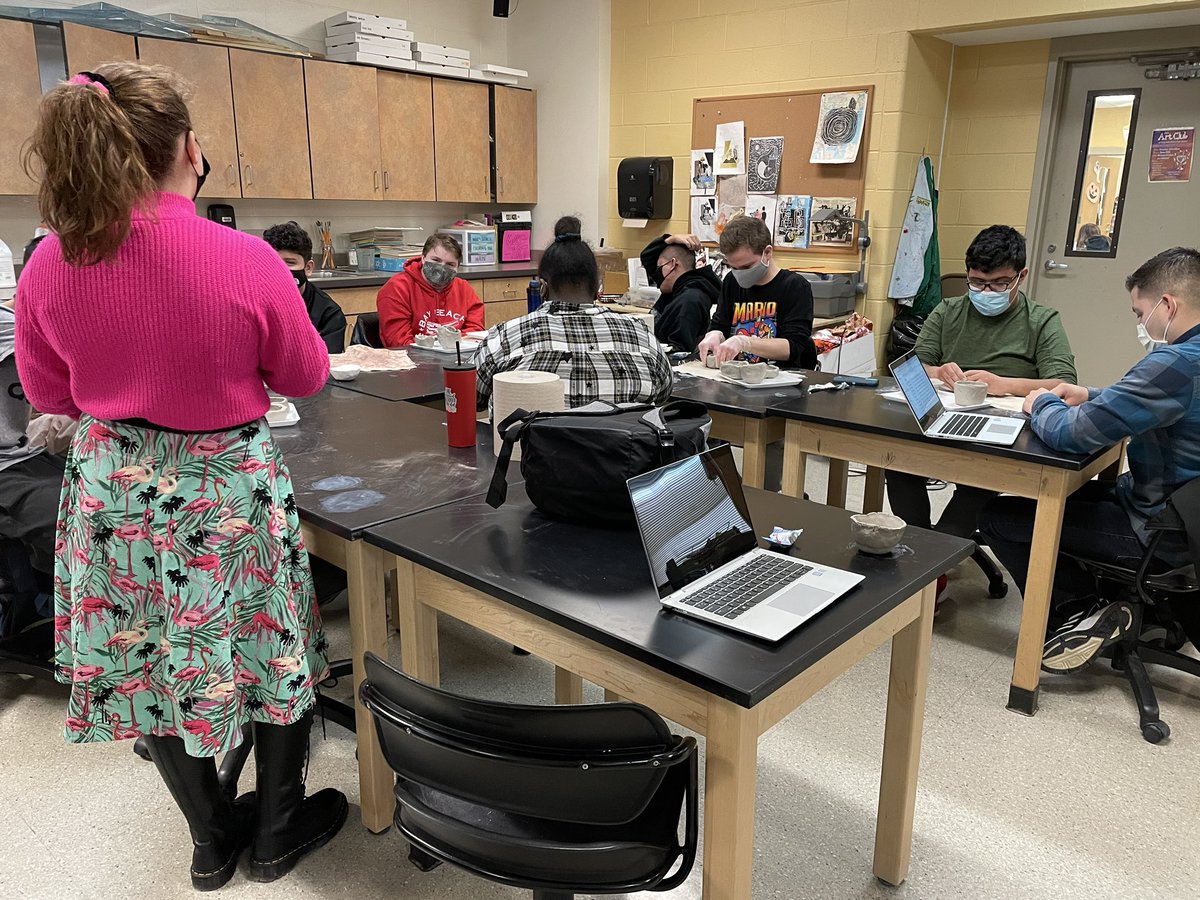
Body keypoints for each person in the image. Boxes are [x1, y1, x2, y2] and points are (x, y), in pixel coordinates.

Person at [15, 64, 344, 890]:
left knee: (142, 654)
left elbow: (50, 393)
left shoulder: (49, 265)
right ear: (188, 150)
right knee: (271, 650)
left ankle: (208, 836)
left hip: (114, 490)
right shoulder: (248, 258)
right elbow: (306, 375)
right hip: (224, 484)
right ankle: (274, 829)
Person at [981, 247, 1200, 672]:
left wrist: (1041, 404)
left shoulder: (1175, 362)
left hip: (1161, 533)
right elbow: (1151, 403)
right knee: (1078, 498)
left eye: (1140, 313)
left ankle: (1080, 613)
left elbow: (1073, 435)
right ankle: (1121, 604)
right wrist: (1089, 395)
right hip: (1186, 522)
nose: (1140, 323)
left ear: (1168, 305)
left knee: (1000, 516)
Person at [887, 225, 1077, 540]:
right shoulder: (949, 310)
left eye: (999, 283)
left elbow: (1064, 384)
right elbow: (916, 365)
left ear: (1022, 275)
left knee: (981, 476)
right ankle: (921, 543)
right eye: (976, 282)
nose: (986, 292)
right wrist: (938, 372)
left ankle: (944, 545)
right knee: (897, 460)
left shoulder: (1041, 320)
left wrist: (1002, 384)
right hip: (947, 415)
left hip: (1006, 427)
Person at [476, 216, 672, 410]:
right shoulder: (642, 337)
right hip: (620, 441)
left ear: (542, 287)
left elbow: (473, 397)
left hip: (539, 442)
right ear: (597, 288)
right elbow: (664, 392)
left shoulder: (505, 338)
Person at [0, 303, 75, 658]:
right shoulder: (14, 327)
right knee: (74, 523)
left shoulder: (15, 322)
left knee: (112, 500)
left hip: (23, 453)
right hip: (6, 469)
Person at [697, 215, 816, 369]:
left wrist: (745, 342)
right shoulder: (731, 282)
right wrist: (714, 334)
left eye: (746, 267)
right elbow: (720, 324)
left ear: (767, 253)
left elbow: (793, 347)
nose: (739, 273)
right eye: (734, 267)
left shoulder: (795, 286)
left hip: (779, 379)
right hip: (735, 377)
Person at [375, 234, 484, 347]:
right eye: (436, 260)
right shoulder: (397, 288)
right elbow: (399, 342)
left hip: (456, 358)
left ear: (457, 267)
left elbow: (475, 334)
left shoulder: (464, 289)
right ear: (423, 258)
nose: (442, 268)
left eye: (450, 264)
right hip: (411, 360)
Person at [263, 221, 347, 353]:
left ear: (308, 268)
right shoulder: (253, 304)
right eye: (273, 262)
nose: (280, 270)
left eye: (289, 263)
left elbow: (326, 364)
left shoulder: (329, 314)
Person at [638, 233, 720, 353]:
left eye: (659, 266)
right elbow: (647, 257)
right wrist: (670, 239)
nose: (656, 273)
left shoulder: (689, 300)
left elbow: (678, 351)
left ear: (672, 264)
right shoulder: (675, 289)